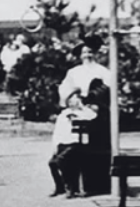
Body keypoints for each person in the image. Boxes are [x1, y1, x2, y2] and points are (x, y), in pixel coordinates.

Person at [47, 36, 110, 196]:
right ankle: (63, 175)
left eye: (90, 52)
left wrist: (92, 99)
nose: (87, 55)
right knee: (64, 123)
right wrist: (71, 99)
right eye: (84, 53)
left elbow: (107, 90)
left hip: (94, 111)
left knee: (87, 141)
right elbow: (64, 90)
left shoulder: (103, 71)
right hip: (75, 107)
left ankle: (88, 183)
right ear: (79, 55)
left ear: (94, 53)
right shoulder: (73, 72)